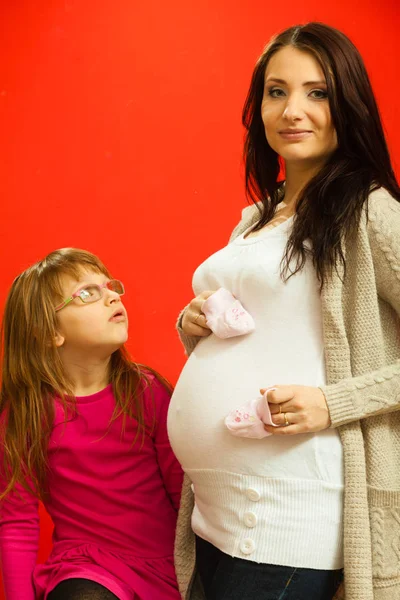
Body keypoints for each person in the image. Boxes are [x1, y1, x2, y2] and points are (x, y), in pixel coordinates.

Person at [167, 21, 400, 600]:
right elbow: (270, 334)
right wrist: (194, 323)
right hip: (216, 519)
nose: (293, 109)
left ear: (347, 104)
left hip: (291, 516)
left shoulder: (370, 211)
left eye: (316, 92)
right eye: (276, 91)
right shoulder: (257, 217)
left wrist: (333, 403)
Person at [0, 248, 183, 600]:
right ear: (49, 332)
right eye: (87, 294)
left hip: (166, 566)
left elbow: (183, 492)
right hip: (86, 566)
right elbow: (17, 523)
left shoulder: (147, 391)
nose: (113, 295)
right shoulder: (25, 414)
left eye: (110, 286)